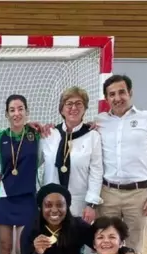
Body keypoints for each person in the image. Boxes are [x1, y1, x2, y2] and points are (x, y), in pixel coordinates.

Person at [95, 75, 147, 254]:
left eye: (121, 92)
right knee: (105, 247)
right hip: (107, 194)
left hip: (139, 196)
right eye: (112, 94)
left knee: (134, 250)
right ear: (106, 98)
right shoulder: (99, 122)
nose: (117, 98)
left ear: (130, 93)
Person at [0, 94, 43, 254]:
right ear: (6, 114)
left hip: (27, 198)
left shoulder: (37, 134)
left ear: (27, 112)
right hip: (5, 198)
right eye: (12, 110)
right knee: (5, 247)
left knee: (22, 249)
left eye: (20, 109)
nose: (16, 113)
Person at [41, 87, 103, 223]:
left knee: (76, 242)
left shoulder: (92, 136)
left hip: (79, 204)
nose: (73, 107)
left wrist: (91, 204)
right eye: (69, 104)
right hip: (51, 203)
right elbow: (30, 163)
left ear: (85, 108)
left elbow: (96, 172)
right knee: (52, 242)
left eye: (78, 103)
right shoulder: (49, 134)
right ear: (61, 109)